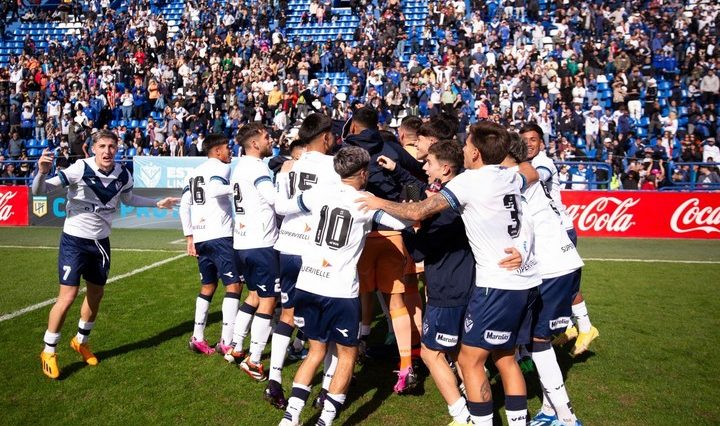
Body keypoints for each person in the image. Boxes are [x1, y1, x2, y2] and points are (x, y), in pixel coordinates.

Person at [358, 122, 541, 425]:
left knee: (469, 361)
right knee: (505, 358)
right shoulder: (509, 175)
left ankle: (475, 420)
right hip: (526, 280)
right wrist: (522, 244)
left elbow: (419, 212)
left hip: (494, 286)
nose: (464, 148)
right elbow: (531, 174)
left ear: (477, 154)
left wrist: (377, 204)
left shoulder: (470, 182)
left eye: (468, 145)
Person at [276, 146, 412, 426]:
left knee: (315, 351)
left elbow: (284, 206)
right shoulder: (365, 201)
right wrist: (382, 203)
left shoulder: (319, 192)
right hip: (339, 288)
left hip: (308, 282)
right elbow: (405, 223)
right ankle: (325, 420)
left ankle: (291, 418)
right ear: (362, 174)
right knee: (347, 353)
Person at [33, 130, 178, 379]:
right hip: (75, 242)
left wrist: (157, 203)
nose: (107, 151)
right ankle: (49, 350)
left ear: (117, 148)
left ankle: (80, 340)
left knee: (96, 294)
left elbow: (130, 198)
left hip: (101, 243)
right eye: (102, 146)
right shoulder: (79, 169)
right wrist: (42, 172)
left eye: (112, 146)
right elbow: (41, 190)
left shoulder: (122, 173)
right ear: (92, 149)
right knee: (66, 297)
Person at [506, 132, 584, 426]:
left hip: (554, 268)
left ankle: (566, 417)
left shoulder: (517, 175)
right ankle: (552, 411)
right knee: (537, 340)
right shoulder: (518, 174)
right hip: (555, 265)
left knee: (539, 341)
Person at [266, 113, 342, 409]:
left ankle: (274, 380)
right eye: (332, 135)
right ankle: (325, 388)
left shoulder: (288, 166)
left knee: (288, 313)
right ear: (324, 137)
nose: (334, 139)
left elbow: (281, 206)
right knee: (328, 319)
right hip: (316, 250)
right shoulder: (335, 167)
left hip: (287, 246)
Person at [520, 124, 599, 357]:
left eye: (533, 139)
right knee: (549, 283)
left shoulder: (544, 162)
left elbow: (539, 176)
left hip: (560, 230)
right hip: (544, 231)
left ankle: (585, 327)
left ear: (542, 143)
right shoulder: (527, 162)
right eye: (524, 140)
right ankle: (568, 327)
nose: (529, 144)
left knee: (564, 283)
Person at [223, 123, 281, 385]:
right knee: (269, 300)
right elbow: (275, 200)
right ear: (255, 144)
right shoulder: (258, 168)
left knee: (255, 295)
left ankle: (236, 346)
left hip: (243, 243)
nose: (271, 140)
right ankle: (255, 359)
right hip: (261, 243)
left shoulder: (238, 167)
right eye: (267, 137)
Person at [179, 133, 244, 356]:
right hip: (220, 235)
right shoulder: (221, 167)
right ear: (217, 151)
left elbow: (183, 206)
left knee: (208, 286)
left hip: (201, 237)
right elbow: (217, 190)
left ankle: (198, 337)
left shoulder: (195, 173)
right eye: (227, 146)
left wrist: (189, 237)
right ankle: (227, 340)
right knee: (234, 285)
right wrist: (238, 186)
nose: (230, 151)